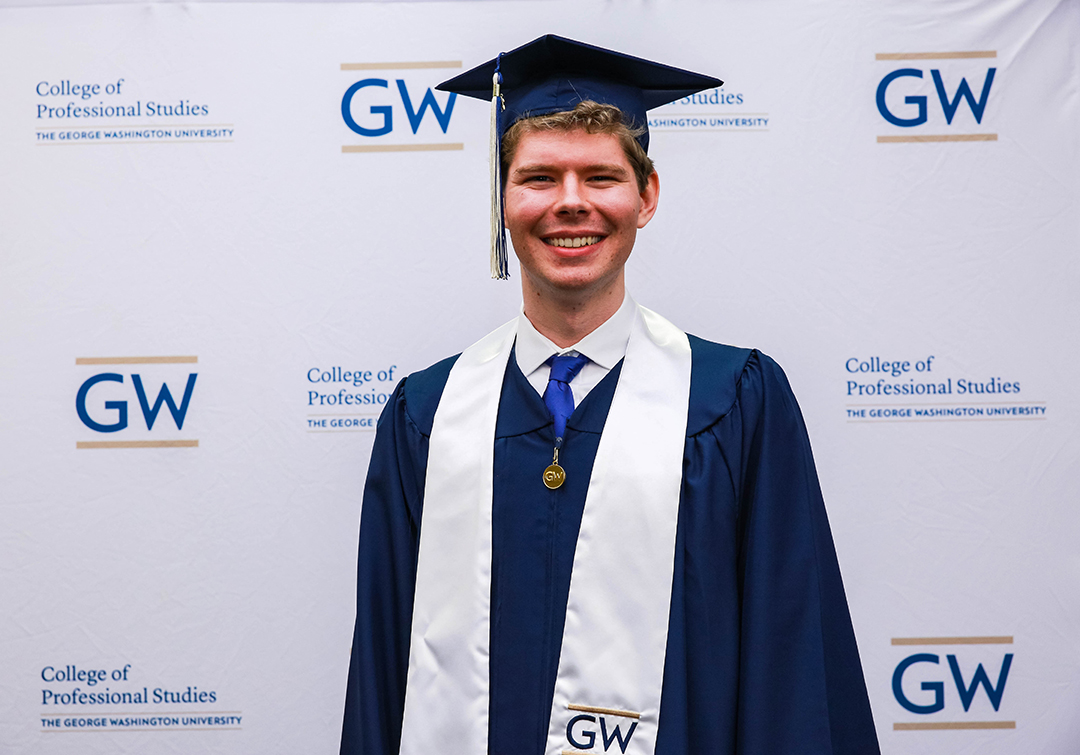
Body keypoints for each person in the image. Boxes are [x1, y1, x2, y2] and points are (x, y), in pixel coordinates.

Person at [340, 35, 879, 755]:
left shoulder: (733, 405)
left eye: (600, 176)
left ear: (646, 196)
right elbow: (382, 675)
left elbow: (792, 668)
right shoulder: (426, 416)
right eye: (538, 178)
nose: (570, 203)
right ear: (502, 198)